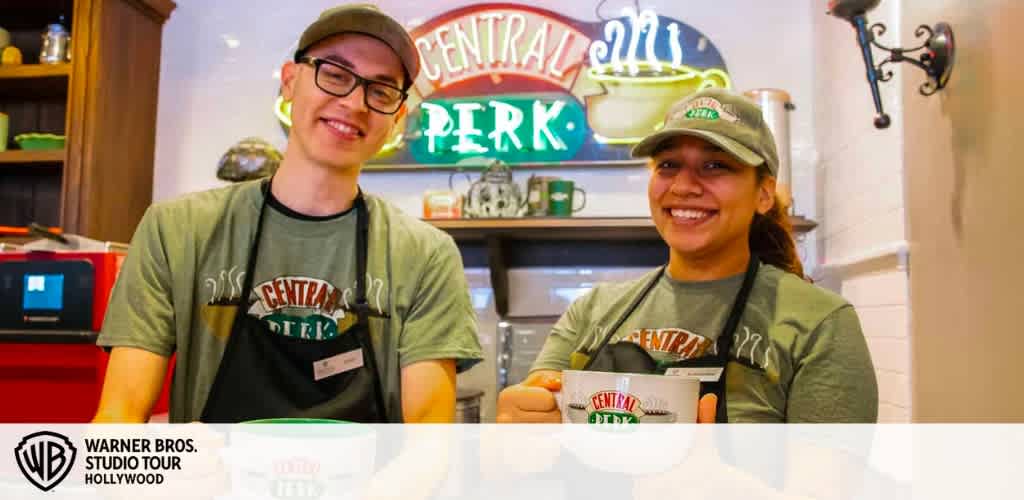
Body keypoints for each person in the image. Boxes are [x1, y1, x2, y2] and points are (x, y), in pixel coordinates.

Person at [92, 4, 483, 423]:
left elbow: (429, 439)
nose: (354, 103)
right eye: (334, 74)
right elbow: (120, 414)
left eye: (381, 91)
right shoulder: (177, 230)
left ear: (397, 118)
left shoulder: (425, 255)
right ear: (291, 82)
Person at [497, 88, 878, 423]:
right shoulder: (592, 312)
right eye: (668, 165)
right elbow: (535, 432)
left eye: (715, 165)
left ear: (764, 193)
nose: (682, 186)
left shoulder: (820, 324)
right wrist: (521, 433)